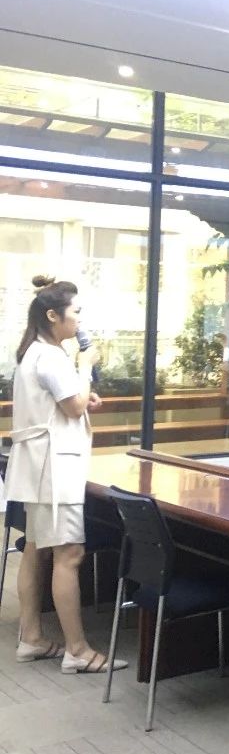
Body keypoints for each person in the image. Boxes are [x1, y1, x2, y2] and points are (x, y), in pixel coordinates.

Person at [5, 276, 126, 674]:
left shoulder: (34, 352)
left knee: (36, 549)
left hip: (41, 467)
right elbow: (72, 408)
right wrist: (85, 367)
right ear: (53, 316)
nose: (79, 320)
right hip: (55, 470)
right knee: (69, 555)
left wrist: (81, 392)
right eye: (76, 312)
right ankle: (77, 650)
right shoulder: (53, 356)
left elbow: (63, 403)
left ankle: (32, 637)